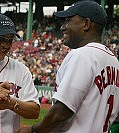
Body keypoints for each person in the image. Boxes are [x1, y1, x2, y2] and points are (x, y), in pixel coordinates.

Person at [16, 1, 119, 133]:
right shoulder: (113, 60)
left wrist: (33, 130)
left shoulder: (83, 55)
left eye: (68, 21)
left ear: (86, 24)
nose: (62, 27)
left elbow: (61, 112)